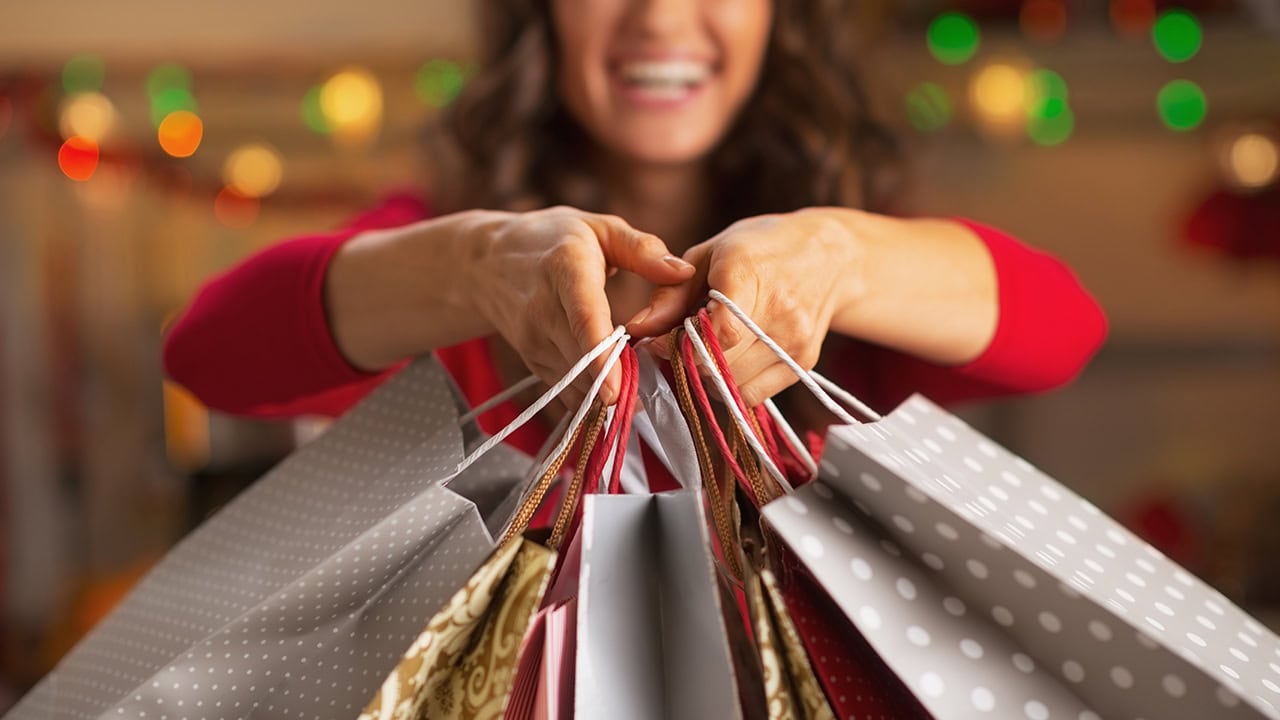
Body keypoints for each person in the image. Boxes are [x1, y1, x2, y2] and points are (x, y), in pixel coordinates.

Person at [163, 0, 1107, 459]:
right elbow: (209, 353)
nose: (659, 19)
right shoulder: (439, 236)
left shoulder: (850, 271)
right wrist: (473, 262)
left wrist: (843, 257)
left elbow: (1063, 330)